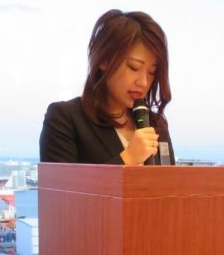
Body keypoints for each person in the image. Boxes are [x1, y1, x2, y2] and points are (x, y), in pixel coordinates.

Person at [39, 9, 175, 165]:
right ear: (104, 60)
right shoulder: (65, 119)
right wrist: (128, 158)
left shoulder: (156, 123)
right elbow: (59, 181)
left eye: (152, 72)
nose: (143, 82)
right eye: (134, 67)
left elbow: (170, 178)